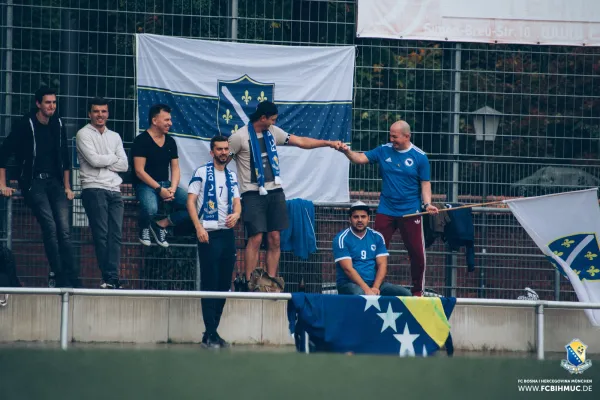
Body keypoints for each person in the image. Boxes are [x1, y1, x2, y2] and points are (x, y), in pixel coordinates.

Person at [228, 101, 343, 287]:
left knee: (275, 237)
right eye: (272, 119)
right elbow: (223, 162)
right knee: (256, 237)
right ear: (263, 118)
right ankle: (249, 282)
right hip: (251, 193)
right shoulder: (238, 137)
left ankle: (271, 283)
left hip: (275, 191)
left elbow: (301, 141)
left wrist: (328, 143)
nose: (274, 122)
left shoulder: (273, 132)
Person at [339, 121, 438, 296]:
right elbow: (360, 158)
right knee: (376, 248)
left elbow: (425, 184)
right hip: (386, 209)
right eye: (390, 135)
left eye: (395, 136)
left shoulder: (420, 157)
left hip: (410, 211)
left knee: (417, 253)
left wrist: (427, 204)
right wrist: (346, 151)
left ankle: (418, 292)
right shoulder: (383, 150)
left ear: (407, 136)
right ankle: (373, 285)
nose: (391, 139)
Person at [0, 86, 79, 287]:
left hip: (55, 182)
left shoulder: (58, 123)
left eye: (54, 102)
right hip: (33, 183)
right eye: (47, 102)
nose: (52, 106)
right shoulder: (26, 124)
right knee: (50, 227)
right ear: (38, 104)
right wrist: (3, 183)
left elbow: (64, 157)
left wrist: (68, 186)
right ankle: (59, 276)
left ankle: (71, 278)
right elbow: (4, 152)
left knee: (64, 230)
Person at [187, 135, 241, 348]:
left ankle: (212, 332)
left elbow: (237, 204)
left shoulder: (232, 176)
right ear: (212, 152)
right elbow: (190, 202)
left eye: (226, 149)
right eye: (219, 149)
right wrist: (198, 227)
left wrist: (236, 215)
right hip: (208, 233)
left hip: (226, 234)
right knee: (210, 283)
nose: (223, 152)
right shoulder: (202, 172)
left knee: (223, 285)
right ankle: (210, 334)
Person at [76, 97, 128, 289]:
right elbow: (94, 161)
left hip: (114, 190)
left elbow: (124, 164)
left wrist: (105, 160)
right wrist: (112, 158)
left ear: (108, 113)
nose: (100, 115)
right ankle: (108, 277)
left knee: (116, 235)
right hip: (94, 188)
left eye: (103, 111)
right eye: (96, 111)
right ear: (89, 114)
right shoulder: (83, 134)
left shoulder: (114, 136)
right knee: (102, 234)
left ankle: (112, 277)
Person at [131, 104, 189, 248]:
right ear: (155, 120)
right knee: (151, 209)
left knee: (194, 205)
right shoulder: (141, 141)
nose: (170, 123)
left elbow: (175, 168)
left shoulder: (170, 141)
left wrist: (173, 189)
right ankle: (144, 227)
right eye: (167, 120)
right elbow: (139, 171)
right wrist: (159, 190)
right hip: (145, 185)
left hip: (166, 184)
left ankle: (161, 225)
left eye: (170, 120)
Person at [333, 201, 411, 296]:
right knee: (359, 294)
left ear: (369, 219)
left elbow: (382, 265)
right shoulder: (342, 238)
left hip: (374, 284)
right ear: (350, 219)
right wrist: (366, 289)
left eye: (363, 217)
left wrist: (375, 287)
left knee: (405, 294)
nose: (360, 220)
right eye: (356, 217)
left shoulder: (377, 237)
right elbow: (347, 269)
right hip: (349, 284)